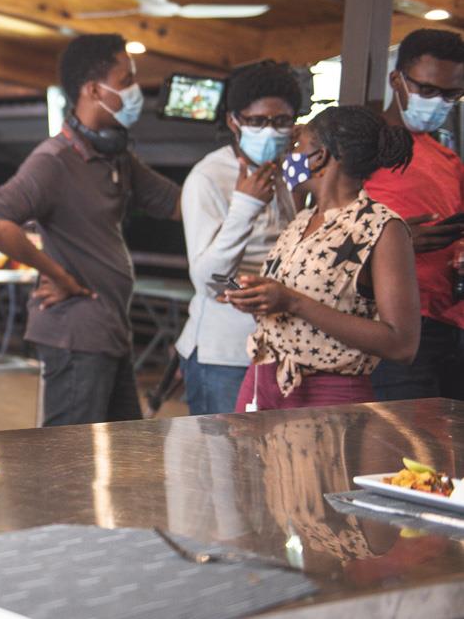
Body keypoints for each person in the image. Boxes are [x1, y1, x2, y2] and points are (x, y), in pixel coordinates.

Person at [0, 34, 180, 426]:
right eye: (126, 81)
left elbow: (178, 203)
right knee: (68, 459)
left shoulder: (116, 158)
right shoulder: (54, 160)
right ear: (92, 89)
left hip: (109, 330)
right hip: (75, 331)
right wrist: (59, 275)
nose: (135, 92)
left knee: (123, 448)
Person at [225, 106, 420, 411]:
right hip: (264, 381)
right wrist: (259, 300)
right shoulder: (302, 220)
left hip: (327, 395)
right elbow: (293, 310)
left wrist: (292, 302)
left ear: (320, 157)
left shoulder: (382, 227)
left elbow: (402, 344)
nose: (287, 158)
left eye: (296, 147)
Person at [175, 62, 300, 415]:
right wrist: (245, 207)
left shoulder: (288, 171)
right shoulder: (208, 177)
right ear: (234, 121)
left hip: (281, 348)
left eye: (281, 121)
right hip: (224, 356)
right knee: (225, 466)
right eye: (257, 121)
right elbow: (207, 280)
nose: (270, 131)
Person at [364, 29, 464, 401]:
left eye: (451, 95)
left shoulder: (449, 161)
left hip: (450, 323)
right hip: (390, 326)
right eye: (426, 90)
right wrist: (395, 244)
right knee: (402, 451)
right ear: (397, 80)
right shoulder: (362, 144)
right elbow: (318, 231)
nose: (438, 102)